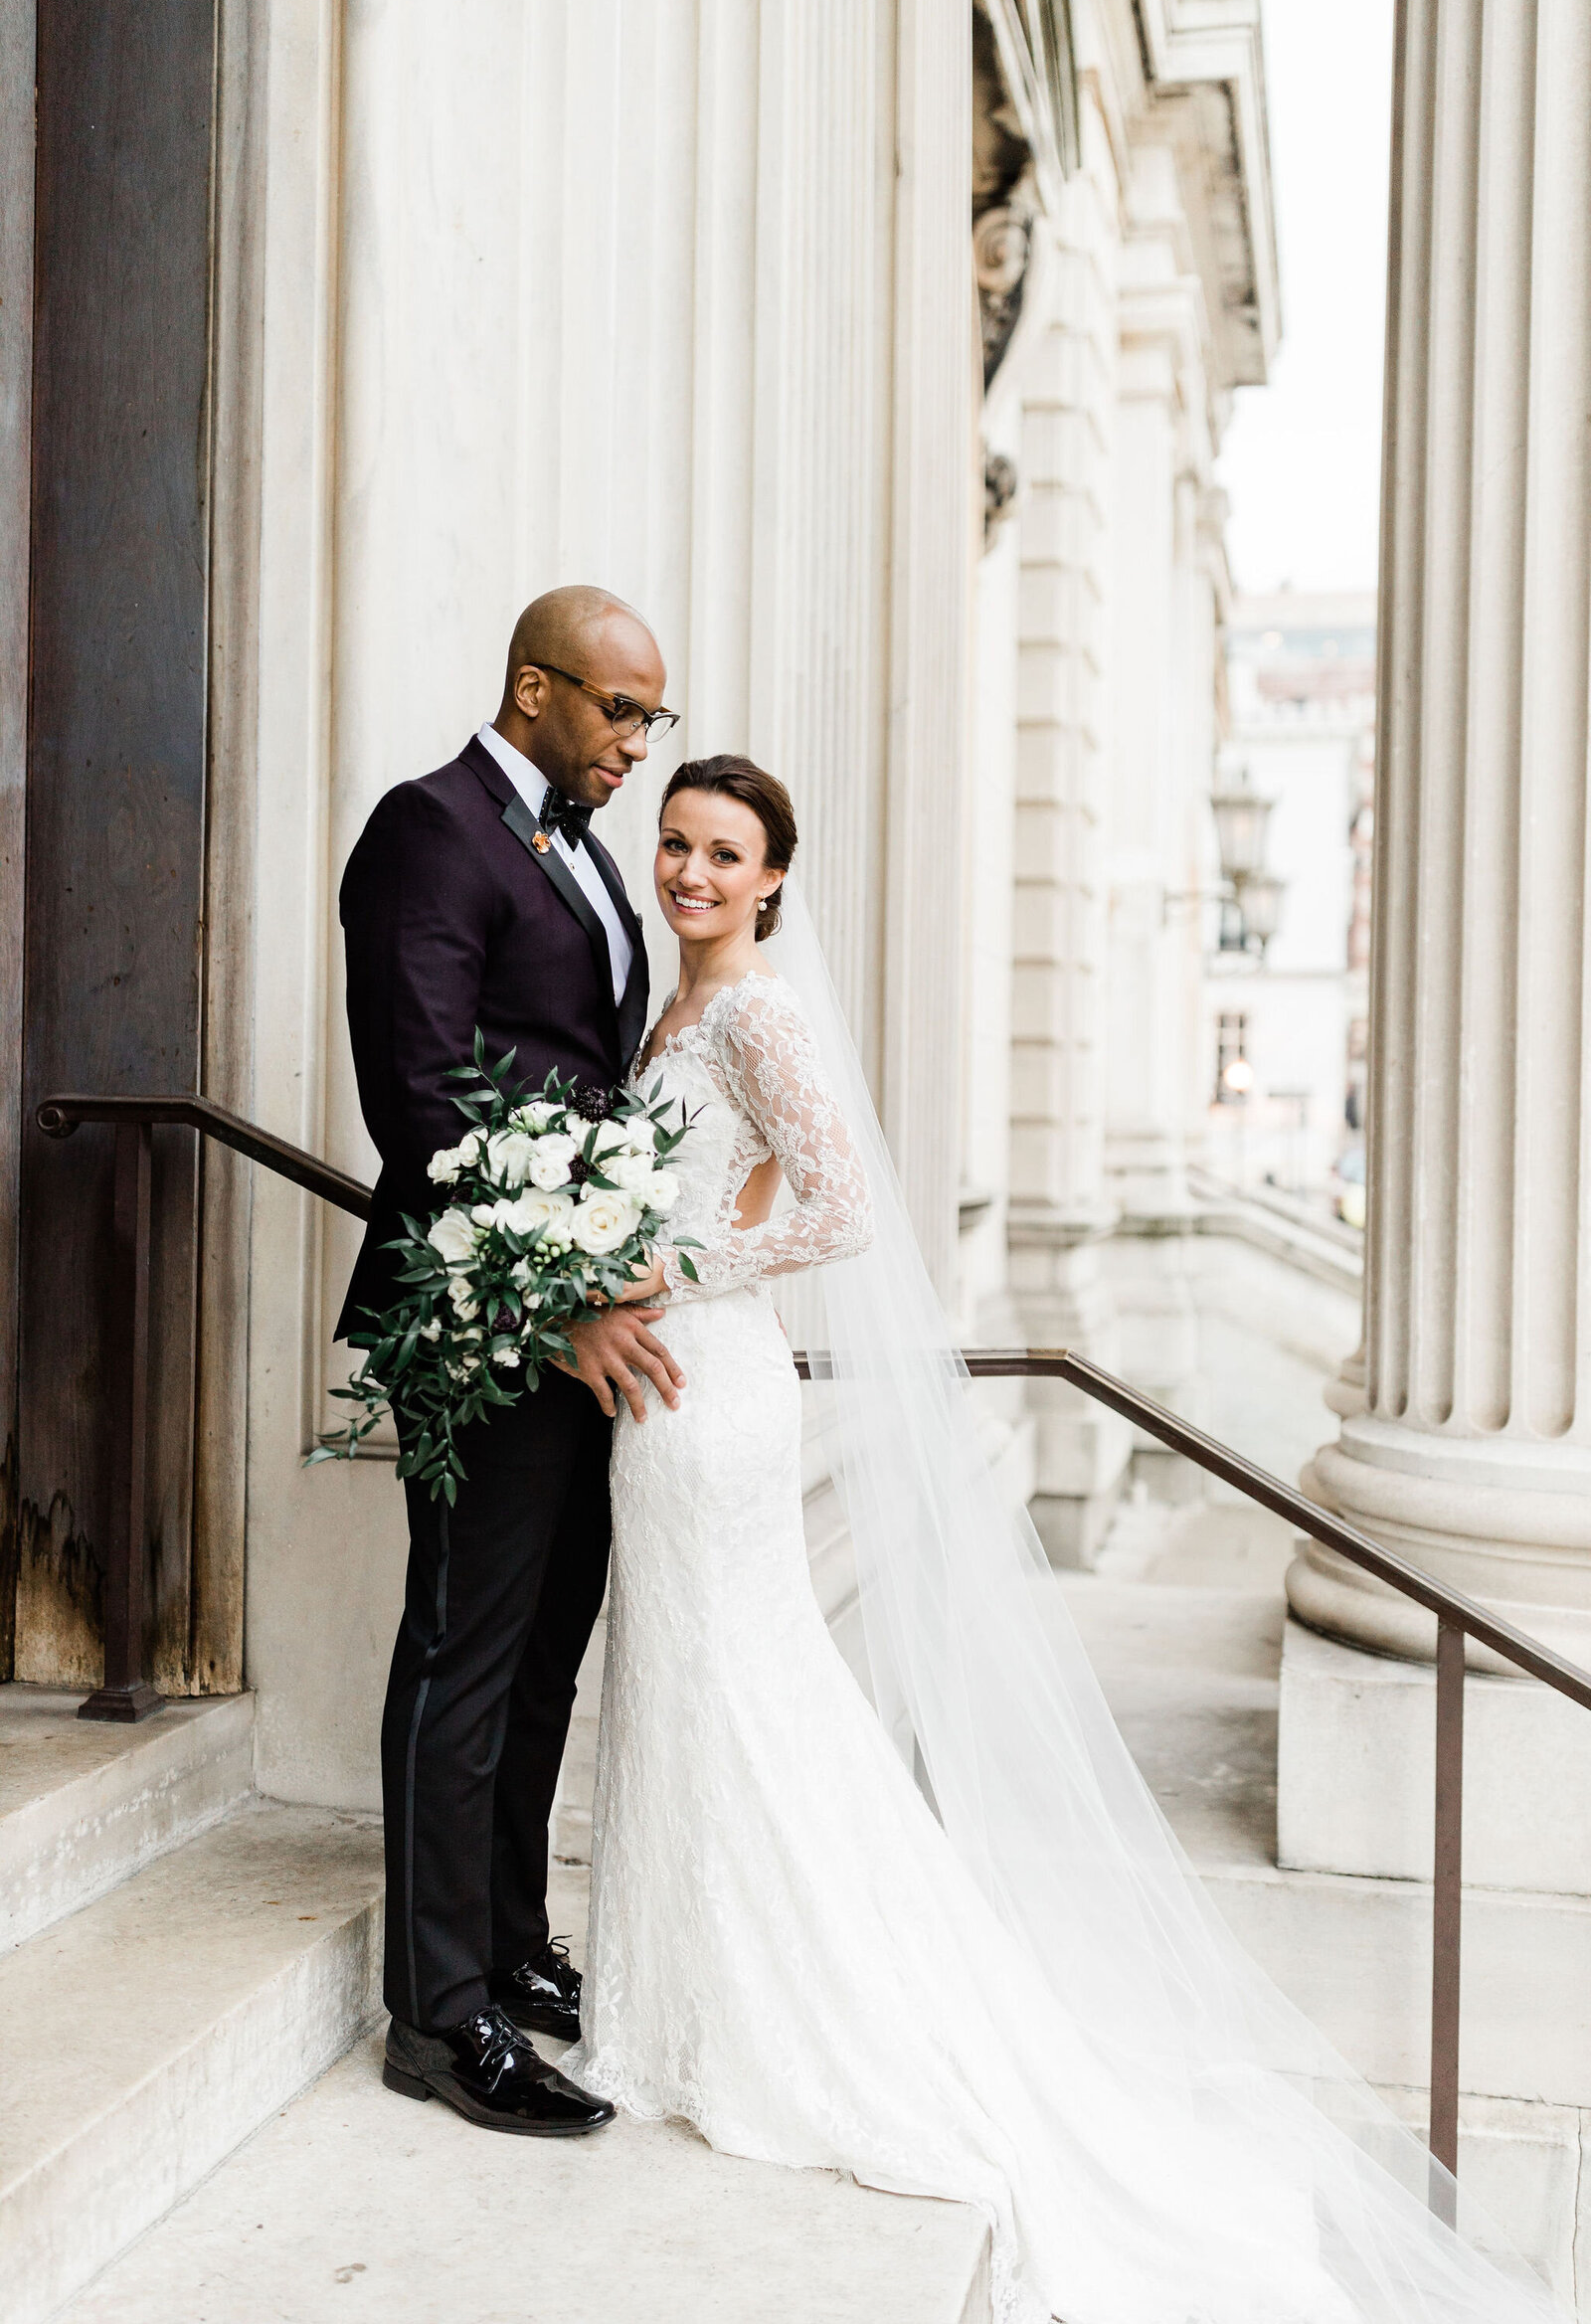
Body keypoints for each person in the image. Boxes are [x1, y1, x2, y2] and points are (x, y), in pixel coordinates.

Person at [564, 753, 1562, 2323]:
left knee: (743, 1693)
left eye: (724, 855)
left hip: (717, 1382)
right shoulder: (669, 1009)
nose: (688, 872)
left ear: (774, 879)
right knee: (702, 1691)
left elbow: (839, 1209)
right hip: (672, 1397)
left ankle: (785, 2013)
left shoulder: (755, 1011)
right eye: (675, 843)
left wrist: (659, 1265)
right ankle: (688, 1998)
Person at [339, 586, 686, 2135]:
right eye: (621, 710)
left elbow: (582, 1077)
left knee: (547, 1648)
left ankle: (507, 1942)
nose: (638, 745)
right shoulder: (430, 829)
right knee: (461, 1654)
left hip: (586, 1336)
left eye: (651, 718)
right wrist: (555, 1304)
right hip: (486, 1327)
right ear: (535, 688)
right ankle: (437, 2016)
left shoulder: (577, 846)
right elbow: (423, 1105)